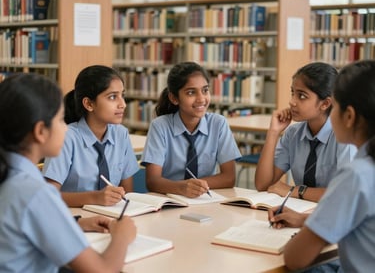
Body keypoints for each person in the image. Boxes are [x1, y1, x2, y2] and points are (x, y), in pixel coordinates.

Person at [0, 73, 136, 272]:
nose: (66, 128)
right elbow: (102, 271)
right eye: (60, 120)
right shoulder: (36, 193)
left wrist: (76, 223)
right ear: (40, 131)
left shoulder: (10, 177)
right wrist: (122, 237)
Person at [269, 60, 375, 272]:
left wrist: (311, 230)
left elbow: (295, 258)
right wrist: (305, 219)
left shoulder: (356, 175)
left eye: (334, 106)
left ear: (349, 116)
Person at [255, 62, 356, 202]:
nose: (292, 102)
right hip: (301, 213)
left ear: (325, 104)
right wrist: (273, 133)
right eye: (292, 93)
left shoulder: (345, 137)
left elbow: (347, 194)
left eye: (302, 96)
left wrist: (294, 190)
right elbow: (263, 184)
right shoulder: (293, 134)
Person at [141, 62, 241, 198]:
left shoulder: (218, 124)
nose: (201, 99)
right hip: (171, 199)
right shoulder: (160, 126)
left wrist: (196, 187)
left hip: (206, 199)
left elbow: (229, 177)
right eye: (191, 92)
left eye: (205, 90)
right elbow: (152, 181)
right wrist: (181, 187)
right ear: (174, 98)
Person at [44, 65, 139, 207]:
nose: (123, 104)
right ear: (89, 104)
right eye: (113, 97)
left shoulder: (121, 134)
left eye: (122, 95)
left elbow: (128, 193)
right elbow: (48, 196)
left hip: (111, 217)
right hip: (74, 220)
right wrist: (94, 198)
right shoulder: (66, 138)